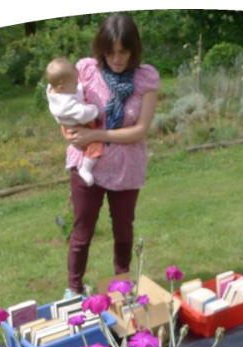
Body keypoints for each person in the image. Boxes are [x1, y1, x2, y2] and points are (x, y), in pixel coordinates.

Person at [62, 13, 160, 298]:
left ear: (134, 49)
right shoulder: (85, 71)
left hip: (126, 169)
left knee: (123, 230)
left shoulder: (146, 78)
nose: (117, 58)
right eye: (111, 51)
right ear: (102, 48)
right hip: (86, 166)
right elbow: (64, 104)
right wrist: (72, 130)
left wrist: (96, 135)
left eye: (124, 51)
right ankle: (73, 289)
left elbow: (139, 130)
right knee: (82, 230)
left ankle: (122, 283)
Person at [46, 57, 104, 186]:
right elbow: (83, 114)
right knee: (95, 145)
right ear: (61, 86)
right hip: (77, 126)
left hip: (68, 124)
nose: (77, 85)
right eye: (74, 83)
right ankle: (86, 168)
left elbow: (72, 92)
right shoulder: (65, 105)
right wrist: (95, 109)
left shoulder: (53, 90)